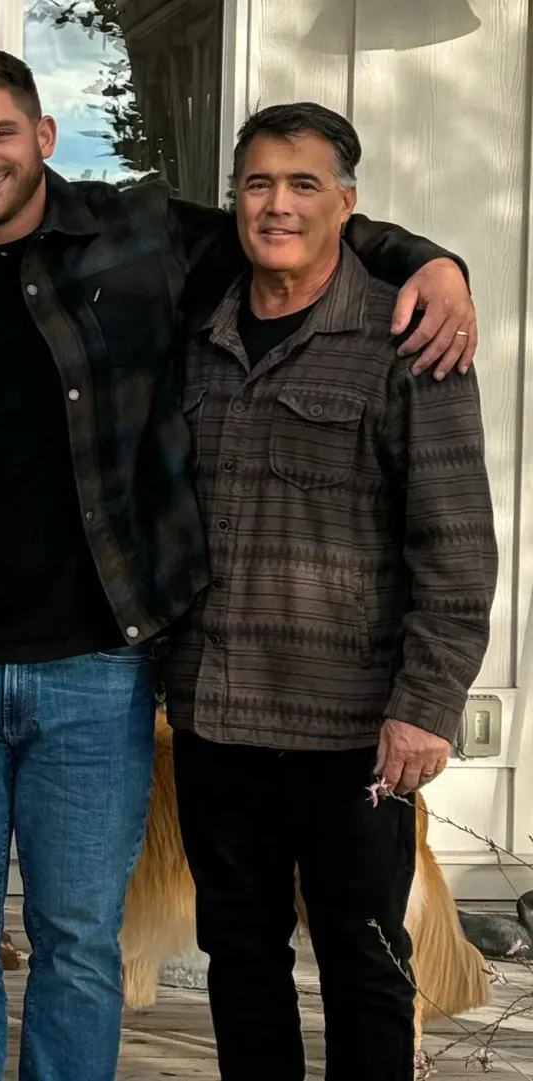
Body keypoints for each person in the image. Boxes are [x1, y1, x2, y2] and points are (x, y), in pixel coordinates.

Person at [0, 49, 478, 1081]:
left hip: (97, 670)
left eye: (2, 134)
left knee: (81, 945)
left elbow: (295, 225)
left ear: (42, 137)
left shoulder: (139, 238)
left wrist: (432, 260)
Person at [166, 103, 495, 1081]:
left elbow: (456, 540)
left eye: (304, 184)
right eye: (258, 184)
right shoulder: (200, 333)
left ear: (348, 204)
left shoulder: (409, 338)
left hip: (353, 729)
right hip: (216, 717)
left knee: (365, 965)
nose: (277, 205)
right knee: (239, 959)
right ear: (234, 201)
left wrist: (425, 707)